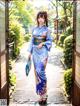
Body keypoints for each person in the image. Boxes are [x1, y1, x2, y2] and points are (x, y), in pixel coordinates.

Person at [27, 11, 53, 105]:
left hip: (43, 53)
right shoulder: (34, 29)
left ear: (45, 19)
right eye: (39, 17)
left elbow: (50, 41)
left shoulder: (47, 30)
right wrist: (29, 52)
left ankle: (44, 94)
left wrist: (43, 43)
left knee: (41, 72)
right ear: (37, 18)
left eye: (42, 17)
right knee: (36, 73)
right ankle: (40, 95)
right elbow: (31, 41)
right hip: (35, 52)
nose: (40, 19)